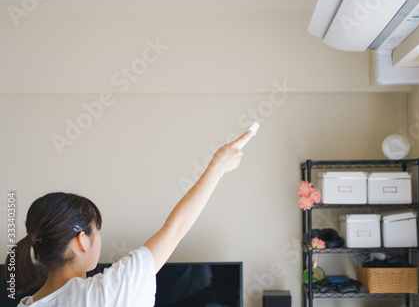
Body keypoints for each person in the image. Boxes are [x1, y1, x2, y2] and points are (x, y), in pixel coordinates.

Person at [5, 131, 252, 307]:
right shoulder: (106, 292)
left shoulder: (26, 304)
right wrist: (216, 167)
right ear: (82, 240)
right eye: (96, 230)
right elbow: (175, 229)